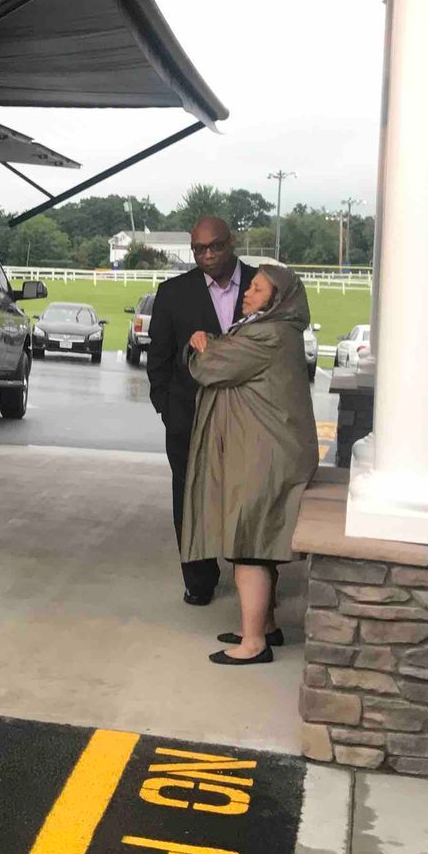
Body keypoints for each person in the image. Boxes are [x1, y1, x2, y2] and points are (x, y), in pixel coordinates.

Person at [183, 264, 320, 664]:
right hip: (267, 450)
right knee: (259, 540)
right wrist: (216, 344)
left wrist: (206, 345)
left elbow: (213, 368)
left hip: (264, 454)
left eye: (257, 289)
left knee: (248, 545)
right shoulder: (275, 330)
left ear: (277, 297)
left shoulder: (268, 333)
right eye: (250, 287)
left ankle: (253, 644)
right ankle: (265, 625)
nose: (247, 293)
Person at [145, 216, 255, 604]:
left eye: (215, 246)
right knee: (190, 499)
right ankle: (199, 580)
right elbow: (157, 358)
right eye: (198, 249)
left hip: (248, 419)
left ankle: (254, 585)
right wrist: (166, 408)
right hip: (188, 418)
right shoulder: (174, 292)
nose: (207, 255)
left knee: (247, 498)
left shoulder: (261, 287)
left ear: (232, 241)